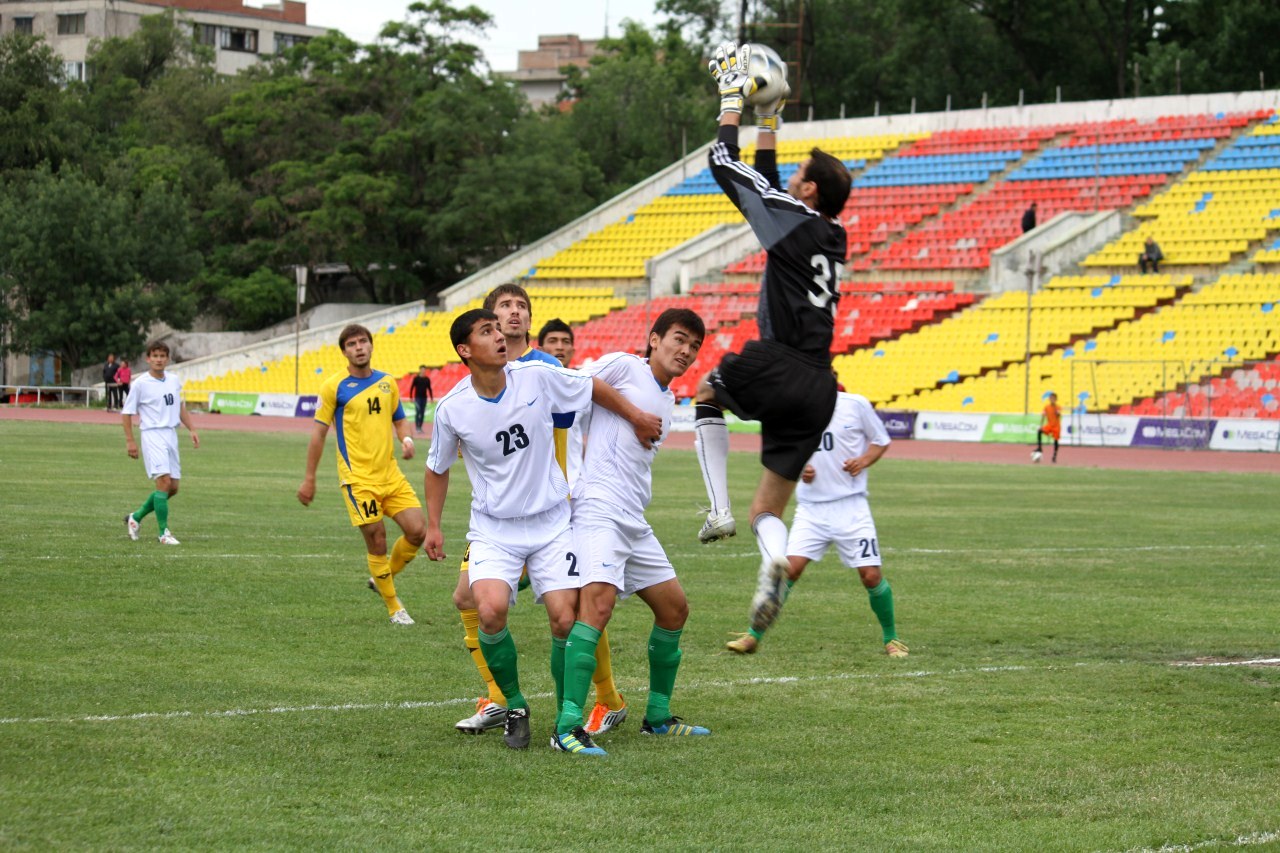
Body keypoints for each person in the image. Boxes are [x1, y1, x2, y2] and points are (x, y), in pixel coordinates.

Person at [423, 308, 661, 750]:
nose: (499, 336)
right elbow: (437, 467)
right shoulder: (452, 408)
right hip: (494, 530)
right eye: (487, 331)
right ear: (464, 350)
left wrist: (635, 416)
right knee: (489, 610)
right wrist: (433, 525)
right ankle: (514, 706)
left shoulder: (535, 375)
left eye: (498, 329)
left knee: (565, 619)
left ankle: (566, 719)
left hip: (552, 523)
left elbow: (591, 386)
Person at [695, 42, 851, 635]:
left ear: (809, 192)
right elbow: (771, 185)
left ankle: (717, 510)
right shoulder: (829, 233)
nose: (796, 179)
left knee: (706, 394)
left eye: (802, 175)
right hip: (819, 386)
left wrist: (731, 100)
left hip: (780, 361)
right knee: (769, 508)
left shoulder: (794, 220)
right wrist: (771, 121)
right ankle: (772, 565)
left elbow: (722, 163)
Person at [555, 308, 711, 757]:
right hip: (599, 508)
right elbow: (580, 383)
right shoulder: (626, 366)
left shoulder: (668, 396)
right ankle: (567, 727)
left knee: (674, 609)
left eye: (694, 346)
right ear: (654, 338)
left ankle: (657, 718)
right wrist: (635, 415)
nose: (686, 351)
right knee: (597, 607)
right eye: (679, 339)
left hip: (633, 517)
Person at [726, 385, 907, 658]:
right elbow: (786, 452)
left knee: (870, 575)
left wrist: (863, 461)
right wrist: (800, 468)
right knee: (790, 570)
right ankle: (753, 636)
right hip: (811, 509)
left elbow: (880, 441)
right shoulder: (796, 409)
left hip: (851, 506)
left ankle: (891, 639)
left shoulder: (855, 404)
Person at [297, 324, 425, 626]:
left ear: (371, 345)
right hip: (358, 479)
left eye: (363, 341)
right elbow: (318, 434)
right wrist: (309, 478)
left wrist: (406, 440)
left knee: (418, 531)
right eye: (352, 344)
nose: (359, 347)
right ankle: (394, 607)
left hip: (390, 475)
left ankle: (382, 578)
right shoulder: (334, 386)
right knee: (377, 540)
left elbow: (400, 420)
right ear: (344, 352)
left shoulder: (387, 382)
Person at [122, 342, 199, 546]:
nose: (158, 359)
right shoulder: (140, 383)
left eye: (162, 356)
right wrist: (130, 441)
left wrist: (192, 429)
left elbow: (180, 407)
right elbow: (127, 413)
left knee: (172, 487)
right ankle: (163, 533)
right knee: (163, 481)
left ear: (168, 359)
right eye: (155, 355)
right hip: (152, 434)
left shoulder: (173, 380)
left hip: (171, 434)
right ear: (148, 359)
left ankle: (136, 517)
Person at [1033, 392, 1062, 464]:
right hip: (1049, 425)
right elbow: (1043, 415)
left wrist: (1057, 412)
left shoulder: (1058, 407)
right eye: (1051, 398)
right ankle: (1040, 448)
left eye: (1054, 398)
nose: (1052, 399)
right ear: (1049, 399)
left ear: (1056, 399)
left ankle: (1054, 456)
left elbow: (1058, 414)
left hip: (1056, 426)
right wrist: (1041, 425)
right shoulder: (1046, 407)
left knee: (1056, 441)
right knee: (1039, 431)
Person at [410, 365, 434, 435]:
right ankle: (417, 427)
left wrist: (431, 398)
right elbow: (412, 387)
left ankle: (420, 427)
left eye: (424, 370)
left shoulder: (427, 379)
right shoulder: (416, 378)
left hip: (424, 398)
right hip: (417, 398)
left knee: (422, 413)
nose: (423, 371)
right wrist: (411, 397)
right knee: (418, 412)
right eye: (422, 369)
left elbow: (429, 389)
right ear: (420, 370)